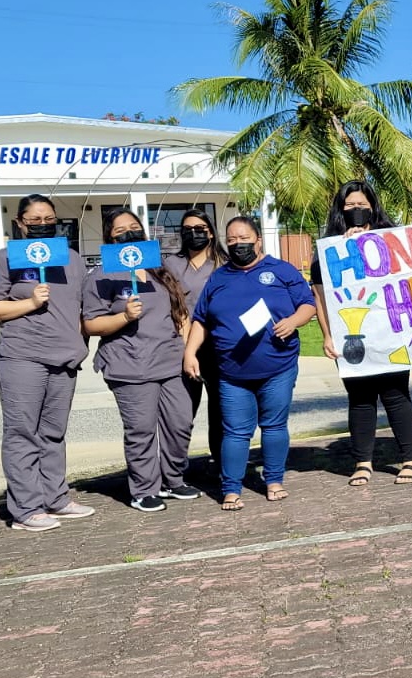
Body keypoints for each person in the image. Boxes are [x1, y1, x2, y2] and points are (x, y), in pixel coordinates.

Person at [0, 194, 94, 532]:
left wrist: (79, 346)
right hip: (23, 356)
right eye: (35, 219)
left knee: (53, 434)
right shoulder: (4, 260)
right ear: (20, 223)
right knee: (22, 432)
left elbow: (80, 309)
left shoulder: (71, 260)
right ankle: (26, 508)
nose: (43, 224)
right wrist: (29, 302)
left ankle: (55, 498)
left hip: (64, 358)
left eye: (48, 218)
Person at [183, 216, 316, 510]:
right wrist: (190, 352)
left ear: (258, 240)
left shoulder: (281, 271)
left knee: (273, 425)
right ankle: (231, 488)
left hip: (277, 367)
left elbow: (308, 304)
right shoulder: (219, 277)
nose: (237, 244)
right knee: (235, 431)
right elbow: (201, 319)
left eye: (243, 238)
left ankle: (274, 480)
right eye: (231, 240)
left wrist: (292, 322)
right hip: (231, 373)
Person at [83, 209, 200, 512]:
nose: (128, 233)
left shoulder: (159, 269)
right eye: (120, 230)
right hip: (130, 365)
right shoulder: (101, 276)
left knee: (180, 423)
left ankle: (172, 479)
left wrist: (187, 350)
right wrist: (123, 316)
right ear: (109, 238)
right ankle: (144, 489)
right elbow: (91, 325)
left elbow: (182, 314)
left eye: (134, 227)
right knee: (142, 430)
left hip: (170, 361)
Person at [310, 181, 412, 486]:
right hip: (350, 338)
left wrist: (369, 243)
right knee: (360, 399)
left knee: (396, 395)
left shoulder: (392, 239)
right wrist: (327, 335)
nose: (356, 211)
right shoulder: (328, 249)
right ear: (339, 211)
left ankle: (410, 460)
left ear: (373, 205)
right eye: (349, 206)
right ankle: (363, 462)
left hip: (390, 335)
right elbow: (319, 296)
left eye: (362, 204)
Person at [163, 209, 227, 476]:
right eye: (187, 228)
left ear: (210, 232)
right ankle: (174, 470)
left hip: (220, 348)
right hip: (183, 347)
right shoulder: (171, 264)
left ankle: (224, 464)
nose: (194, 233)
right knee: (181, 412)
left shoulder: (225, 262)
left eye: (199, 228)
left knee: (221, 412)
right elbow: (171, 304)